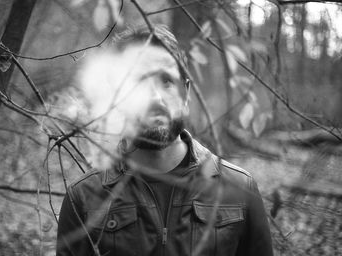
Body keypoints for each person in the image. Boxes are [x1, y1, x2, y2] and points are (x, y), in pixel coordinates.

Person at [56, 25, 273, 256]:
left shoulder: (239, 189)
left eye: (166, 81)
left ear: (186, 94)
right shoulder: (84, 199)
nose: (156, 98)